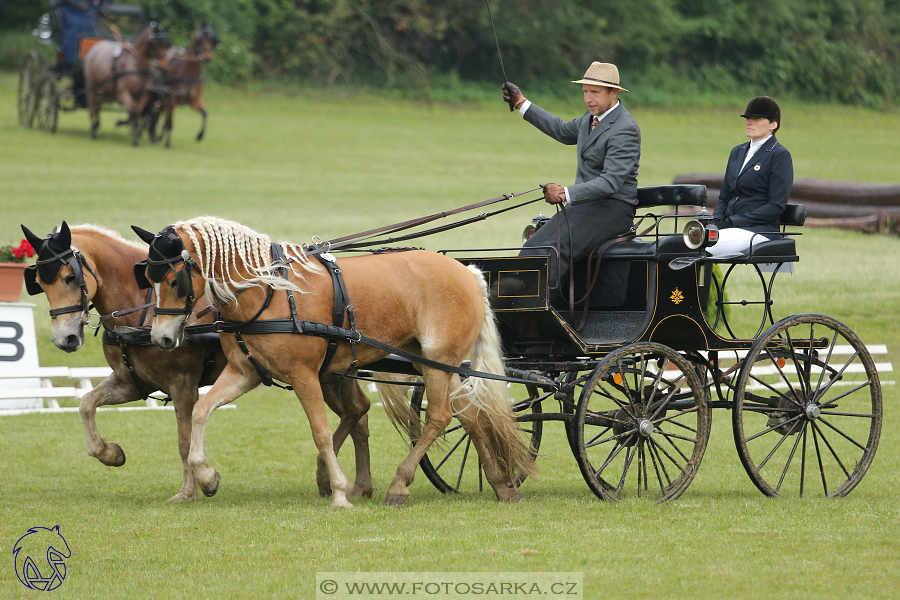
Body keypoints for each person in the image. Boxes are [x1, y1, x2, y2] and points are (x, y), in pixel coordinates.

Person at [501, 62, 641, 301]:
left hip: (612, 209)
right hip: (585, 207)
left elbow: (610, 182)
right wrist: (521, 103)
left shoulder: (625, 129)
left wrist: (565, 193)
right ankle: (516, 303)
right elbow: (561, 129)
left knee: (555, 249)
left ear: (613, 93)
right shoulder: (590, 119)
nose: (588, 99)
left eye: (594, 92)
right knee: (533, 247)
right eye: (585, 91)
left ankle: (539, 312)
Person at [709, 96, 793, 257]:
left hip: (759, 230)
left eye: (757, 118)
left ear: (773, 125)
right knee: (684, 242)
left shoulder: (779, 155)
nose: (749, 122)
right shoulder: (737, 151)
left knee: (702, 246)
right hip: (730, 228)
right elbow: (724, 197)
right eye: (748, 118)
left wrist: (734, 221)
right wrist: (716, 220)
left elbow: (776, 206)